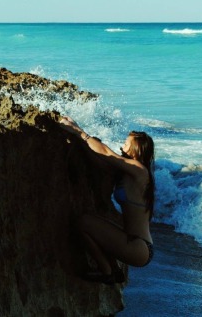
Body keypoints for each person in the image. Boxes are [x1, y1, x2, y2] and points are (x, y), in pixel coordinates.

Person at [60, 116, 155, 284]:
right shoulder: (128, 173)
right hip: (133, 242)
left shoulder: (140, 171)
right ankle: (112, 270)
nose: (123, 146)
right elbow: (102, 159)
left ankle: (108, 272)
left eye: (127, 143)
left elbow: (107, 153)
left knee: (84, 222)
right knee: (86, 222)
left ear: (136, 149)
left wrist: (78, 130)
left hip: (139, 247)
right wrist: (80, 142)